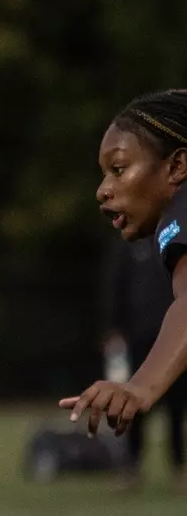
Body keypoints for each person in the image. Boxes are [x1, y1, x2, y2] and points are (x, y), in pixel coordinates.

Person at [65, 90, 187, 449]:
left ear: (177, 166)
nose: (103, 190)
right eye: (104, 175)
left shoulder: (181, 211)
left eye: (119, 169)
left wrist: (140, 385)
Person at [101, 233, 187, 489]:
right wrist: (113, 328)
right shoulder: (130, 244)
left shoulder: (177, 241)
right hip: (139, 335)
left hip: (173, 338)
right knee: (133, 403)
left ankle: (179, 467)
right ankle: (131, 466)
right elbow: (116, 284)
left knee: (176, 406)